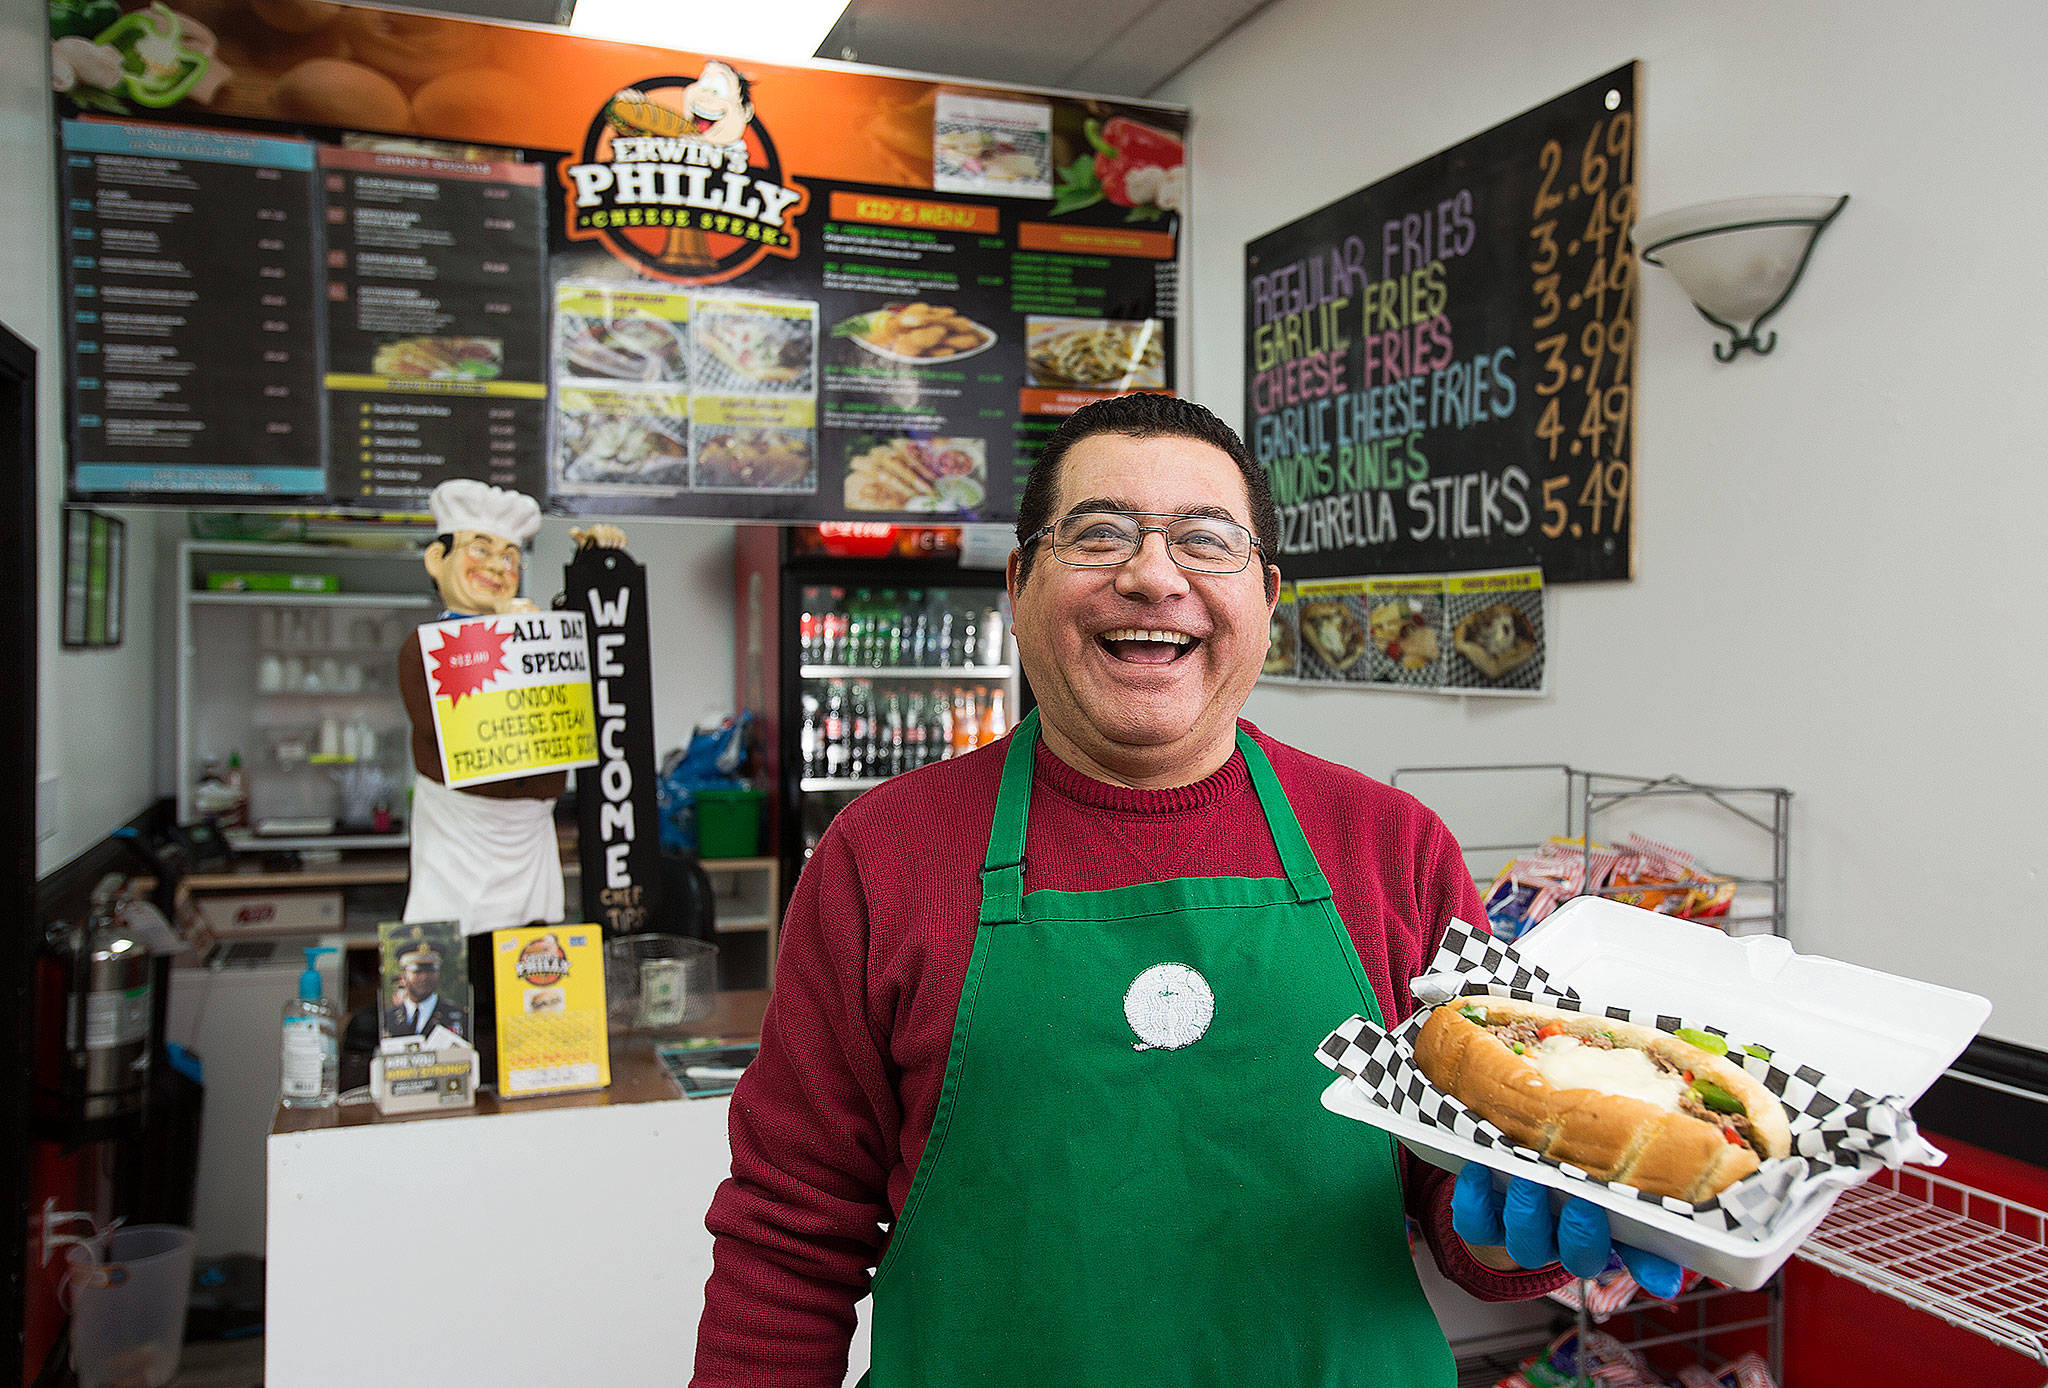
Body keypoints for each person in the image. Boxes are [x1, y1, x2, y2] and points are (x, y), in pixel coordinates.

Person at [692, 394, 1680, 1386]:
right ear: (1017, 582)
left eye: (1205, 542)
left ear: (1267, 594)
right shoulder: (883, 854)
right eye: (1098, 534)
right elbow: (787, 1236)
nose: (1152, 576)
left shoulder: (1389, 846)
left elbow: (1457, 1193)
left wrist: (1532, 1210)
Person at [380, 944, 468, 1040]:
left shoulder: (458, 1016)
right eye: (417, 971)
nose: (424, 977)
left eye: (431, 971)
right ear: (403, 976)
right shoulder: (387, 1019)